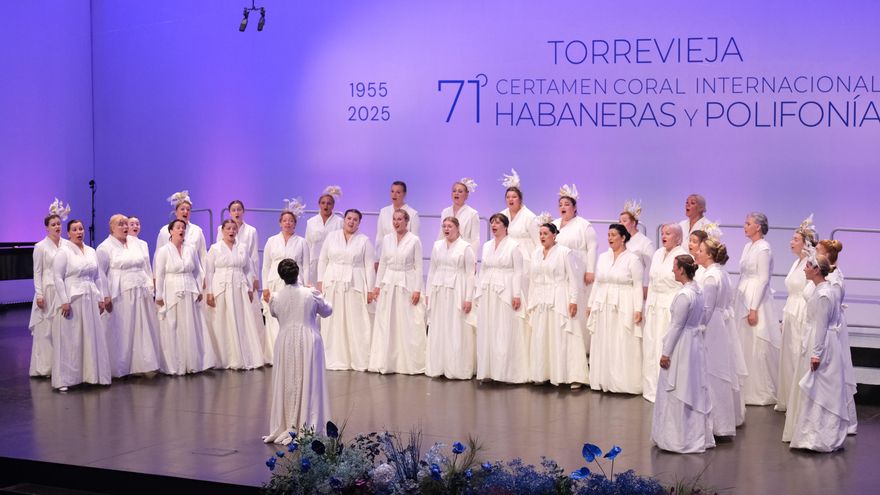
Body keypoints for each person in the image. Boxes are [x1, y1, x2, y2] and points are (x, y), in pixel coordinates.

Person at [785, 253, 851, 451]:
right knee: (815, 387)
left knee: (820, 387)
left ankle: (818, 436)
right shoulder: (820, 290)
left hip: (821, 343)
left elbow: (821, 326)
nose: (804, 269)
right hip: (816, 339)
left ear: (816, 270)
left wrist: (816, 354)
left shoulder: (823, 294)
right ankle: (810, 433)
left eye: (807, 266)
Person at [262, 259, 333, 444]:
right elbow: (327, 311)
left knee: (288, 380)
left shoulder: (276, 297)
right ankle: (308, 423)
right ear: (297, 273)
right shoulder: (310, 294)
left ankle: (287, 422)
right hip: (308, 339)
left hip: (285, 340)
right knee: (309, 380)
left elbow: (275, 313)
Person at [652, 255, 714, 454]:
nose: (672, 271)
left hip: (682, 346)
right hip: (694, 344)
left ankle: (677, 438)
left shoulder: (684, 296)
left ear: (681, 270)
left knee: (678, 386)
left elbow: (676, 326)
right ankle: (692, 435)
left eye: (674, 267)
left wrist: (666, 353)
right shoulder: (698, 291)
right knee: (692, 386)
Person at [97, 214, 162, 377]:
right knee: (124, 328)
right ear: (112, 227)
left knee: (142, 327)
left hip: (140, 289)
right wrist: (105, 295)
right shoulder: (105, 247)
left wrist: (150, 286)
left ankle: (143, 364)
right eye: (121, 224)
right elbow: (100, 274)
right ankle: (122, 366)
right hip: (120, 292)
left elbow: (146, 266)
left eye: (126, 224)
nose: (125, 227)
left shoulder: (138, 244)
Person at [51, 219, 111, 391]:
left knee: (91, 336)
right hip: (73, 297)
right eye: (75, 229)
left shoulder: (91, 251)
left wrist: (100, 297)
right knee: (72, 338)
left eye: (81, 229)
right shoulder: (64, 252)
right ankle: (66, 379)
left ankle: (92, 375)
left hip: (90, 296)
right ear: (68, 233)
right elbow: (57, 278)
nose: (79, 232)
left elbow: (98, 276)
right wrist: (64, 300)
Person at [527, 223, 586, 387]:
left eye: (545, 233)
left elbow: (573, 279)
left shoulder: (564, 252)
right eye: (540, 233)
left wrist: (573, 300)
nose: (542, 236)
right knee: (542, 335)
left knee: (562, 335)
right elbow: (533, 279)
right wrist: (531, 301)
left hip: (560, 297)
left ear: (554, 235)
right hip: (541, 299)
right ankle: (544, 372)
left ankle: (572, 376)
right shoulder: (536, 253)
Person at [587, 224, 644, 394]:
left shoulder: (633, 259)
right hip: (603, 302)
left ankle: (622, 382)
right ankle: (603, 380)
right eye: (608, 235)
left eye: (613, 235)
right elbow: (597, 282)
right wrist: (591, 304)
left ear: (623, 238)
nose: (610, 238)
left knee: (621, 339)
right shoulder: (603, 257)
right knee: (605, 339)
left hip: (624, 302)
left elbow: (637, 285)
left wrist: (638, 309)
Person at [694, 230, 741, 436]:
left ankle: (715, 423)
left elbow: (707, 308)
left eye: (701, 250)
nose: (697, 253)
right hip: (719, 324)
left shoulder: (711, 278)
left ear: (710, 255)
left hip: (712, 327)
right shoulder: (721, 273)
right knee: (717, 371)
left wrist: (697, 328)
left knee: (711, 372)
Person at [154, 219, 216, 375]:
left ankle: (192, 362)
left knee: (190, 324)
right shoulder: (164, 251)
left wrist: (198, 288)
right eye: (178, 227)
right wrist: (159, 295)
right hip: (172, 290)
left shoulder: (190, 249)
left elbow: (197, 270)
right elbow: (159, 274)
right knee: (173, 324)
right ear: (171, 231)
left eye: (183, 228)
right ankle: (175, 364)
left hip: (189, 289)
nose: (181, 230)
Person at [369, 209, 426, 375]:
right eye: (394, 219)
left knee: (406, 321)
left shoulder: (414, 240)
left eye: (400, 219)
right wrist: (377, 286)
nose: (396, 222)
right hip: (389, 282)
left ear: (406, 221)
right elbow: (384, 263)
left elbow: (418, 266)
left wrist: (417, 289)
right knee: (387, 321)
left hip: (406, 283)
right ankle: (387, 360)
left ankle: (407, 362)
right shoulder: (387, 239)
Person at [206, 219, 268, 370]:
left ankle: (243, 355)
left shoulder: (242, 247)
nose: (231, 231)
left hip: (239, 286)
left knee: (241, 319)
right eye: (228, 228)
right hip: (222, 286)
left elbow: (247, 268)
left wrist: (249, 287)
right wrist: (209, 292)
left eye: (234, 228)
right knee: (222, 319)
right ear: (222, 230)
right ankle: (224, 357)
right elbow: (209, 271)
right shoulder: (215, 248)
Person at [318, 209, 375, 371]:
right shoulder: (332, 236)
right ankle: (333, 357)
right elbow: (323, 259)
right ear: (344, 220)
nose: (351, 222)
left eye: (355, 220)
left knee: (355, 320)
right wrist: (321, 281)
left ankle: (357, 359)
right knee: (332, 320)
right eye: (349, 218)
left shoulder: (364, 241)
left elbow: (369, 267)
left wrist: (370, 289)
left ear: (359, 223)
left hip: (354, 285)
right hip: (333, 282)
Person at [475, 213, 527, 383]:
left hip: (505, 291)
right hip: (489, 290)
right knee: (489, 329)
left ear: (505, 226)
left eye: (497, 222)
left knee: (503, 329)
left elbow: (518, 271)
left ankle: (505, 372)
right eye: (492, 223)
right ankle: (489, 371)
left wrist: (517, 294)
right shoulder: (487, 245)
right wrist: (478, 290)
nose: (494, 225)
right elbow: (483, 268)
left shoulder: (514, 246)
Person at [734, 212, 778, 406]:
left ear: (758, 227)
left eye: (748, 223)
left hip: (756, 297)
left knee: (756, 341)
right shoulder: (747, 246)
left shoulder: (764, 248)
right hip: (743, 292)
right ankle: (744, 387)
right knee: (743, 340)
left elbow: (763, 278)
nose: (744, 226)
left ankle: (759, 390)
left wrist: (754, 308)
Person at [814, 239, 857, 434]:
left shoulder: (834, 279)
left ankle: (838, 419)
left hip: (833, 328)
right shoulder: (823, 276)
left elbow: (832, 306)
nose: (814, 251)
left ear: (826, 255)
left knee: (835, 371)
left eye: (817, 250)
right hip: (822, 326)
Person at [425, 217, 477, 379]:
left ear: (457, 228)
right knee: (440, 326)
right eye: (444, 226)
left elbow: (470, 275)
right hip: (440, 290)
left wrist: (469, 297)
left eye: (450, 226)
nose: (446, 229)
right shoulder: (437, 246)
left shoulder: (465, 247)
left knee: (456, 326)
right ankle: (439, 365)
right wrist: (428, 293)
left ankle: (458, 367)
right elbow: (432, 270)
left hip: (458, 291)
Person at [642, 224, 688, 402]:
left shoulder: (683, 256)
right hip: (654, 306)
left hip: (670, 306)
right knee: (652, 345)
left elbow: (685, 284)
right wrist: (648, 306)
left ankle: (667, 390)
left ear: (678, 237)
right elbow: (652, 282)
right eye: (662, 233)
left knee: (665, 346)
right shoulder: (658, 253)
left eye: (668, 233)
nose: (664, 236)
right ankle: (651, 388)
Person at [776, 215, 817, 412]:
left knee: (796, 353)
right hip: (791, 309)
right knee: (789, 355)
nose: (791, 242)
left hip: (801, 310)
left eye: (795, 239)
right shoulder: (796, 263)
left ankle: (799, 401)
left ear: (806, 243)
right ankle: (789, 398)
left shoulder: (810, 263)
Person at [262, 202, 310, 357]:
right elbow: (266, 266)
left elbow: (306, 266)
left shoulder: (302, 242)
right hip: (274, 281)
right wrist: (265, 287)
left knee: (292, 316)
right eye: (285, 220)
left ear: (295, 223)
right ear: (280, 223)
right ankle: (274, 353)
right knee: (273, 315)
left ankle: (292, 351)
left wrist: (306, 285)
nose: (288, 223)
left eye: (291, 220)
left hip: (295, 283)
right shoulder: (271, 241)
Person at [553, 184, 597, 352]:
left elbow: (592, 247)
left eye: (566, 204)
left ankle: (581, 347)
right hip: (560, 270)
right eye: (560, 204)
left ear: (574, 207)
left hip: (579, 268)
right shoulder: (554, 224)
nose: (563, 207)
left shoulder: (583, 225)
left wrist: (590, 270)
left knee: (578, 302)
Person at [28, 199, 69, 377]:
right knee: (46, 330)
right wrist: (39, 294)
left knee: (62, 328)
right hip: (47, 290)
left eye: (59, 224)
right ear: (47, 228)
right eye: (53, 224)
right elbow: (37, 272)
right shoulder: (40, 247)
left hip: (62, 290)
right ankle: (45, 367)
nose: (57, 227)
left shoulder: (67, 245)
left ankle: (62, 366)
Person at [499, 170, 540, 298]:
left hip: (525, 257)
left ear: (520, 199)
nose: (510, 199)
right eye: (508, 197)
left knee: (522, 290)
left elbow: (538, 242)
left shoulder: (530, 217)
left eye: (514, 197)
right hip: (507, 256)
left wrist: (538, 262)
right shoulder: (502, 215)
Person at [155, 190, 207, 275]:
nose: (185, 212)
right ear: (176, 212)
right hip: (172, 276)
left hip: (193, 275)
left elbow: (203, 255)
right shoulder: (165, 231)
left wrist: (205, 276)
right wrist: (156, 277)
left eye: (188, 209)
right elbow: (158, 255)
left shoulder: (197, 231)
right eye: (182, 209)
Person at [217, 200, 260, 296]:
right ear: (230, 213)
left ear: (243, 211)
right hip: (228, 271)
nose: (236, 212)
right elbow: (219, 250)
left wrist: (256, 277)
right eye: (233, 210)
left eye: (239, 210)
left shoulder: (251, 231)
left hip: (247, 270)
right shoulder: (221, 229)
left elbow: (254, 256)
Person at [375, 181, 420, 269]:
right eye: (392, 191)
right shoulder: (384, 212)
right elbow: (380, 236)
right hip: (386, 258)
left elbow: (415, 241)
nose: (394, 195)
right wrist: (377, 258)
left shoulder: (412, 214)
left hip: (404, 262)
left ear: (404, 194)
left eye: (398, 192)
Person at [305, 186, 343, 284]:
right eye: (323, 203)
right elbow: (308, 245)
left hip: (332, 262)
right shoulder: (311, 222)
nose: (326, 206)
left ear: (333, 205)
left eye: (329, 203)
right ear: (319, 204)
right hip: (315, 262)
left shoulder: (339, 222)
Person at [620, 200, 654, 299]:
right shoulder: (622, 241)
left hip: (637, 285)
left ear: (633, 223)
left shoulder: (645, 242)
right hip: (623, 286)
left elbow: (650, 266)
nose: (621, 224)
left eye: (624, 221)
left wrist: (646, 285)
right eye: (619, 221)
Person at [437, 178, 481, 252]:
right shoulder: (445, 212)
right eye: (454, 191)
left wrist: (473, 259)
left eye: (460, 191)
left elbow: (475, 239)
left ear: (466, 195)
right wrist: (437, 251)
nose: (456, 193)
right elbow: (441, 234)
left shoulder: (472, 213)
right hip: (446, 251)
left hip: (463, 252)